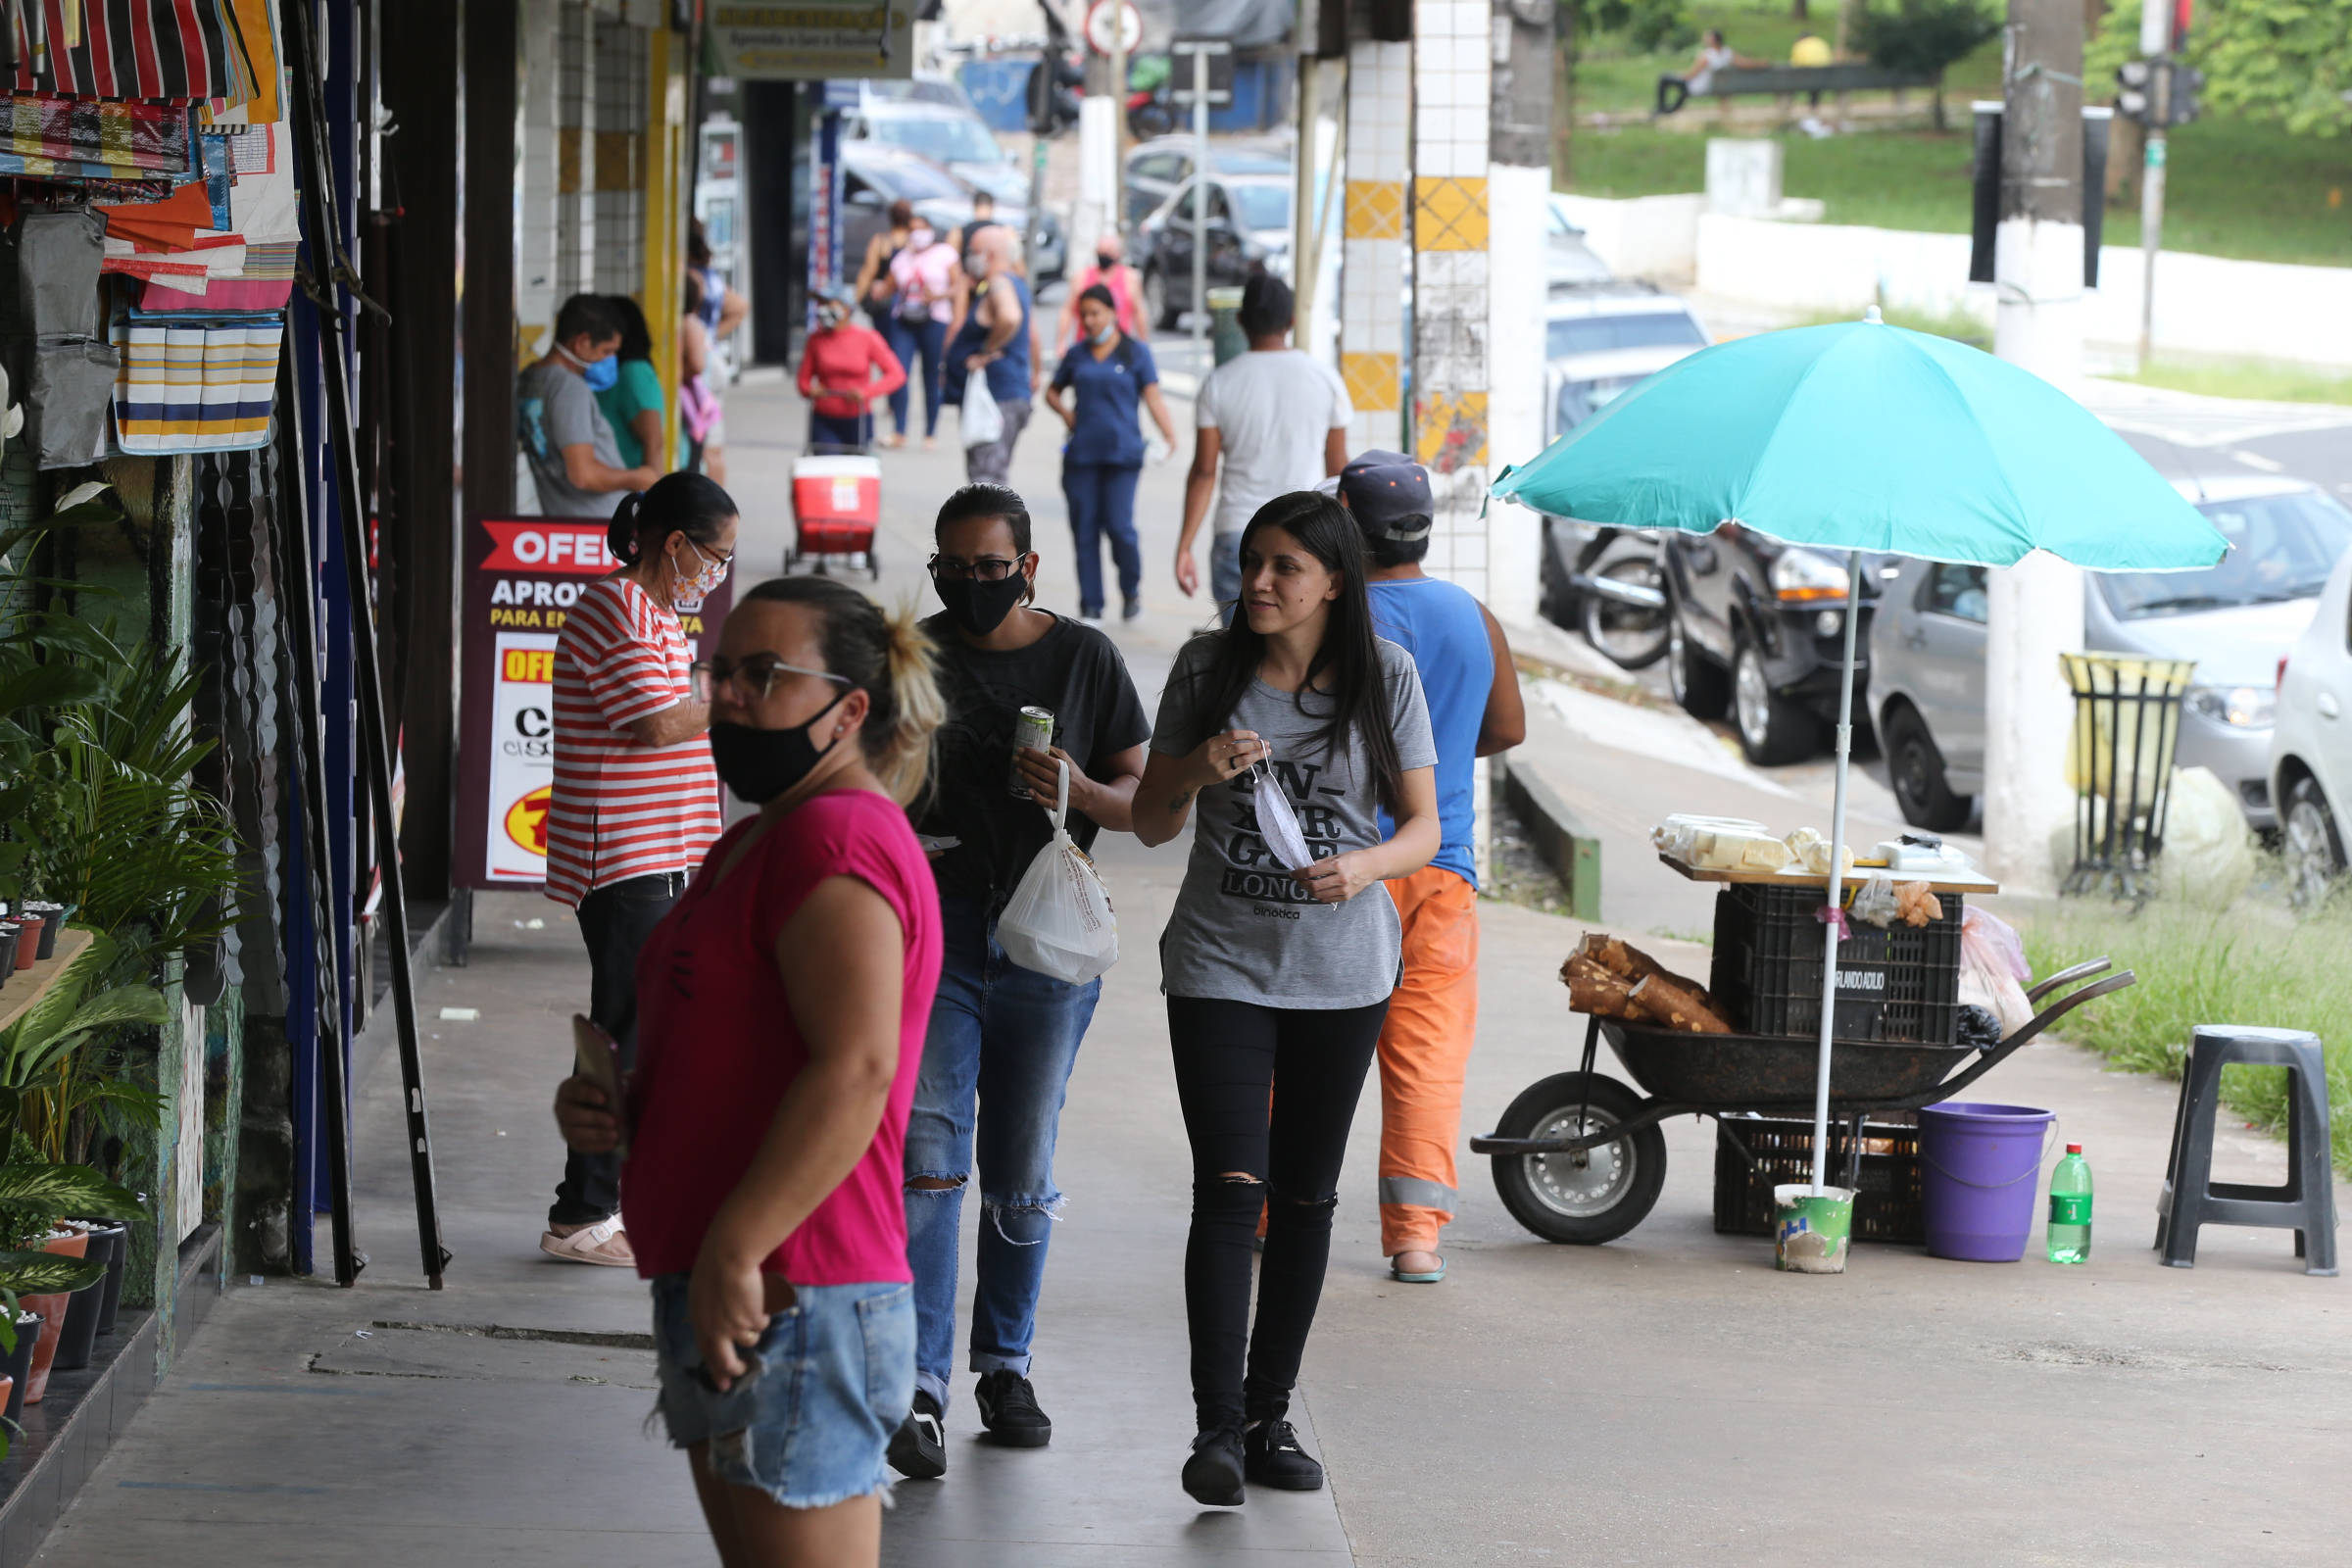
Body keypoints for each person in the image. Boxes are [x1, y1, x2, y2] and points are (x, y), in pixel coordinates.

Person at [552, 574, 947, 1567]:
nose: (727, 694)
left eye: (762, 674)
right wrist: (625, 1108)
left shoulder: (838, 838)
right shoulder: (759, 838)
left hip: (794, 1285)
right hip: (731, 1276)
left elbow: (855, 1068)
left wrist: (736, 1246)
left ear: (850, 710)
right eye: (720, 669)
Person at [1132, 491, 1441, 1505]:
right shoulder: (1204, 668)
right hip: (1220, 965)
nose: (1258, 582)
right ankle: (1216, 1427)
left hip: (1343, 975)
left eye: (1284, 569)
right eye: (1253, 562)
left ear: (1334, 584)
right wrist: (1195, 767)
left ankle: (1271, 1414)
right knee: (1230, 1190)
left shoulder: (1383, 677)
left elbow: (1423, 829)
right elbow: (1148, 819)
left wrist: (1364, 868)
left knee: (1306, 1196)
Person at [887, 482, 1152, 1481]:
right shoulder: (918, 650)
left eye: (990, 569)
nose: (971, 586)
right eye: (952, 570)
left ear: (1029, 566)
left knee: (1023, 1163)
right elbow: (871, 773)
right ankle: (918, 1385)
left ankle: (1003, 1362)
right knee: (930, 1147)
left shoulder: (1083, 656)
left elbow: (1143, 801)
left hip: (1045, 933)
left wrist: (1078, 789)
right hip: (938, 924)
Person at [541, 472, 739, 1266]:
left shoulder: (664, 615)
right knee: (623, 1033)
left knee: (647, 1032)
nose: (719, 573)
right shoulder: (614, 607)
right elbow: (655, 722)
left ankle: (616, 1200)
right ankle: (579, 1214)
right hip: (624, 858)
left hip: (667, 855)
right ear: (676, 544)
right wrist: (736, 693)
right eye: (716, 557)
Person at [1340, 451, 1526, 1285]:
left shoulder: (1331, 616)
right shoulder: (1471, 614)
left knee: (1301, 1043)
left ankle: (1266, 1211)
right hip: (1441, 868)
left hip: (1339, 866)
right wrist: (1440, 749)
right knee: (1425, 1053)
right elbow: (1507, 729)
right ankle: (1415, 1237)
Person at [1178, 276, 1350, 615]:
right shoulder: (1325, 379)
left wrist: (1185, 546)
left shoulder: (1219, 384)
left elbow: (1204, 472)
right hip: (1307, 537)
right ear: (1291, 321)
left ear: (1240, 321)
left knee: (1240, 656)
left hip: (1239, 535)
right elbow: (1338, 471)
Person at [1044, 283, 1179, 625]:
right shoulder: (1077, 354)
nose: (1089, 321)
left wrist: (1169, 434)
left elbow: (1153, 397)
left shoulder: (1135, 353)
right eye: (1084, 314)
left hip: (1123, 456)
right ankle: (1092, 604)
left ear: (1113, 313)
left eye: (1095, 313)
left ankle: (1131, 589)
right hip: (1081, 457)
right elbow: (1052, 392)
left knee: (1120, 528)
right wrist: (1067, 415)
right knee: (1084, 529)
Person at [518, 293, 662, 518]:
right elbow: (582, 474)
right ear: (582, 342)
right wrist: (637, 477)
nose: (610, 360)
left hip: (566, 520)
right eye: (606, 351)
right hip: (597, 525)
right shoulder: (569, 389)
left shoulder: (529, 378)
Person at [945, 224, 1044, 487]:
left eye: (973, 251)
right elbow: (1032, 333)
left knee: (987, 483)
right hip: (1004, 394)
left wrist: (985, 351)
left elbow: (1011, 317)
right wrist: (1036, 372)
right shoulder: (1015, 283)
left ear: (988, 254)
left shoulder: (999, 283)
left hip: (995, 396)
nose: (968, 258)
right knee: (989, 477)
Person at [796, 284, 906, 452]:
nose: (822, 308)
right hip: (824, 418)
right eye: (820, 304)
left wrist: (866, 392)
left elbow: (896, 375)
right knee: (827, 468)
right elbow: (803, 381)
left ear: (846, 308)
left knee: (855, 472)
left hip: (858, 419)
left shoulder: (867, 338)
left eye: (828, 303)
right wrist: (811, 390)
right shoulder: (816, 340)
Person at [883, 215, 962, 450]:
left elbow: (959, 285)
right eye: (913, 229)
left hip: (935, 319)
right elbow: (888, 286)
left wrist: (938, 296)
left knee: (931, 375)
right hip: (904, 320)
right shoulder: (901, 258)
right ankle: (899, 431)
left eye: (922, 228)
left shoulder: (945, 254)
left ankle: (930, 432)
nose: (917, 233)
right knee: (899, 372)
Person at [597, 294, 668, 473]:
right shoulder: (613, 371)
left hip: (630, 487)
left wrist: (648, 496)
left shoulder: (633, 371)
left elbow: (653, 443)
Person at [1056, 229, 1143, 350]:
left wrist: (1143, 344)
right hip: (1087, 347)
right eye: (1101, 252)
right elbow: (1067, 310)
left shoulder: (1130, 278)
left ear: (1117, 254)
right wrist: (1061, 341)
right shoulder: (1081, 277)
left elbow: (1139, 312)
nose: (1104, 255)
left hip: (1120, 348)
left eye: (1108, 252)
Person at [680, 272, 728, 481]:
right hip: (702, 399)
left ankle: (711, 508)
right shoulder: (695, 323)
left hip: (696, 402)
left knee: (702, 454)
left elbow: (697, 365)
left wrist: (673, 374)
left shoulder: (689, 324)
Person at [1658, 28, 1739, 114]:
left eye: (1707, 37)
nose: (1704, 39)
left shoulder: (1707, 55)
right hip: (1719, 87)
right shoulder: (1728, 52)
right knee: (1681, 86)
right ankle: (1669, 109)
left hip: (1698, 87)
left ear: (1713, 39)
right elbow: (1744, 63)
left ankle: (1662, 108)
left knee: (1664, 78)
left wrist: (1678, 74)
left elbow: (1690, 75)